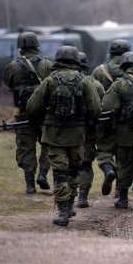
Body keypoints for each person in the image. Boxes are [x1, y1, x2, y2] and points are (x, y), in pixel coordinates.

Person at [26, 46, 101, 226]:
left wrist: (42, 119)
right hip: (77, 136)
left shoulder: (50, 81)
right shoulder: (84, 81)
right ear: (76, 60)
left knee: (60, 173)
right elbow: (96, 109)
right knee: (74, 170)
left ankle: (63, 211)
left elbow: (32, 107)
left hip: (54, 135)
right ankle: (69, 204)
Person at [3, 32, 53, 194]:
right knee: (48, 145)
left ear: (20, 48)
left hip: (23, 113)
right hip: (45, 114)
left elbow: (8, 84)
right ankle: (43, 175)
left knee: (26, 148)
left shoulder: (12, 66)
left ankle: (30, 185)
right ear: (37, 45)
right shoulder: (47, 64)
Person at [101, 52, 133, 209]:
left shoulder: (119, 84)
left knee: (124, 165)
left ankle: (122, 198)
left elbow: (107, 107)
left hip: (125, 134)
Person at [92, 39, 131, 195]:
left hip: (105, 119)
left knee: (103, 150)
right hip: (126, 122)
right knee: (124, 158)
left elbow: (92, 94)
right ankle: (121, 196)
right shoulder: (130, 71)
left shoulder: (99, 71)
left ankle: (108, 168)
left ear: (111, 51)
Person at [76, 52, 105, 208]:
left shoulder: (54, 81)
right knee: (86, 163)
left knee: (66, 165)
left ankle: (66, 199)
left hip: (64, 132)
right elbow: (100, 108)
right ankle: (82, 196)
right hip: (88, 131)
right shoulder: (96, 84)